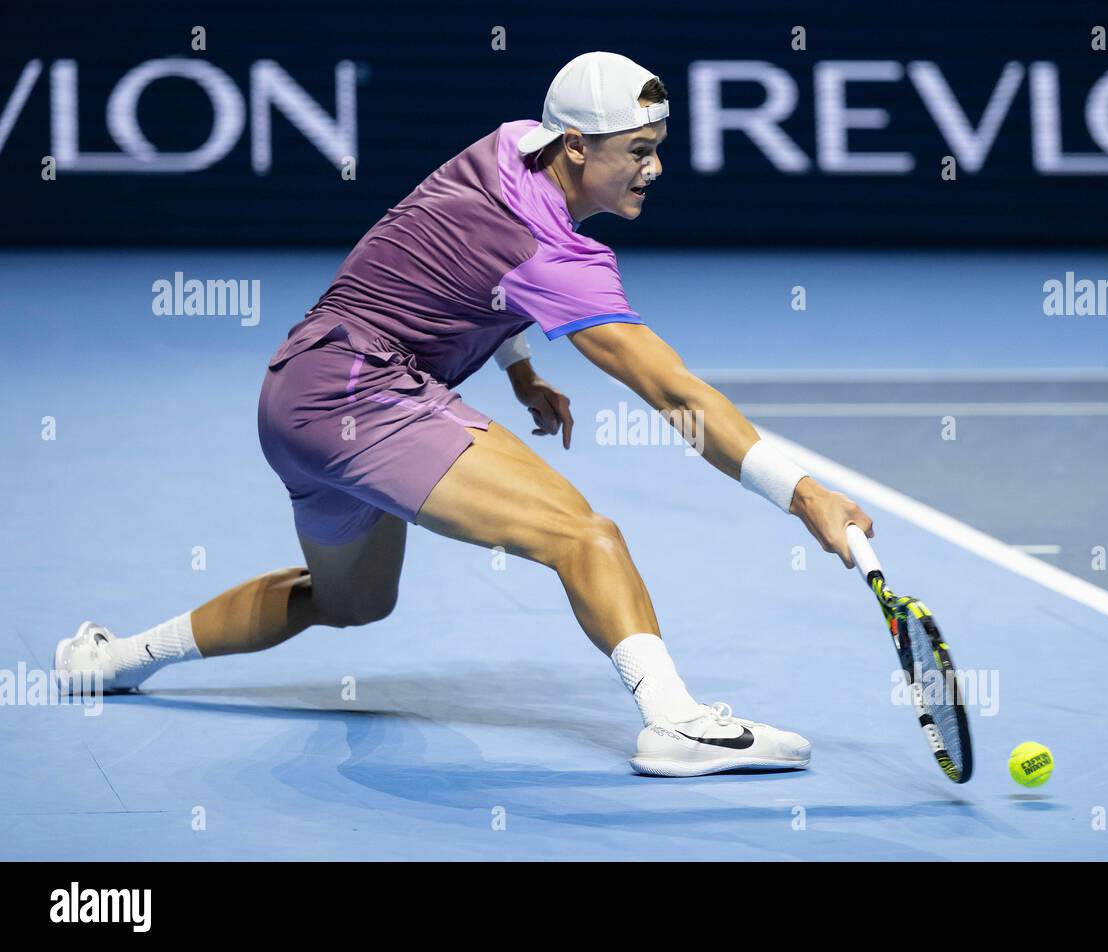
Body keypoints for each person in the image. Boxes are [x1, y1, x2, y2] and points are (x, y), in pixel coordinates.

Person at [57, 51, 874, 777]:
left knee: (349, 603)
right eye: (639, 151)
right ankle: (677, 724)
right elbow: (673, 392)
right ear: (577, 146)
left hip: (293, 393)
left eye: (656, 150)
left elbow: (451, 260)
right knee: (587, 537)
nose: (654, 169)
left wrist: (517, 369)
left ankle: (116, 659)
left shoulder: (507, 143)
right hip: (363, 392)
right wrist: (804, 494)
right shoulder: (559, 254)